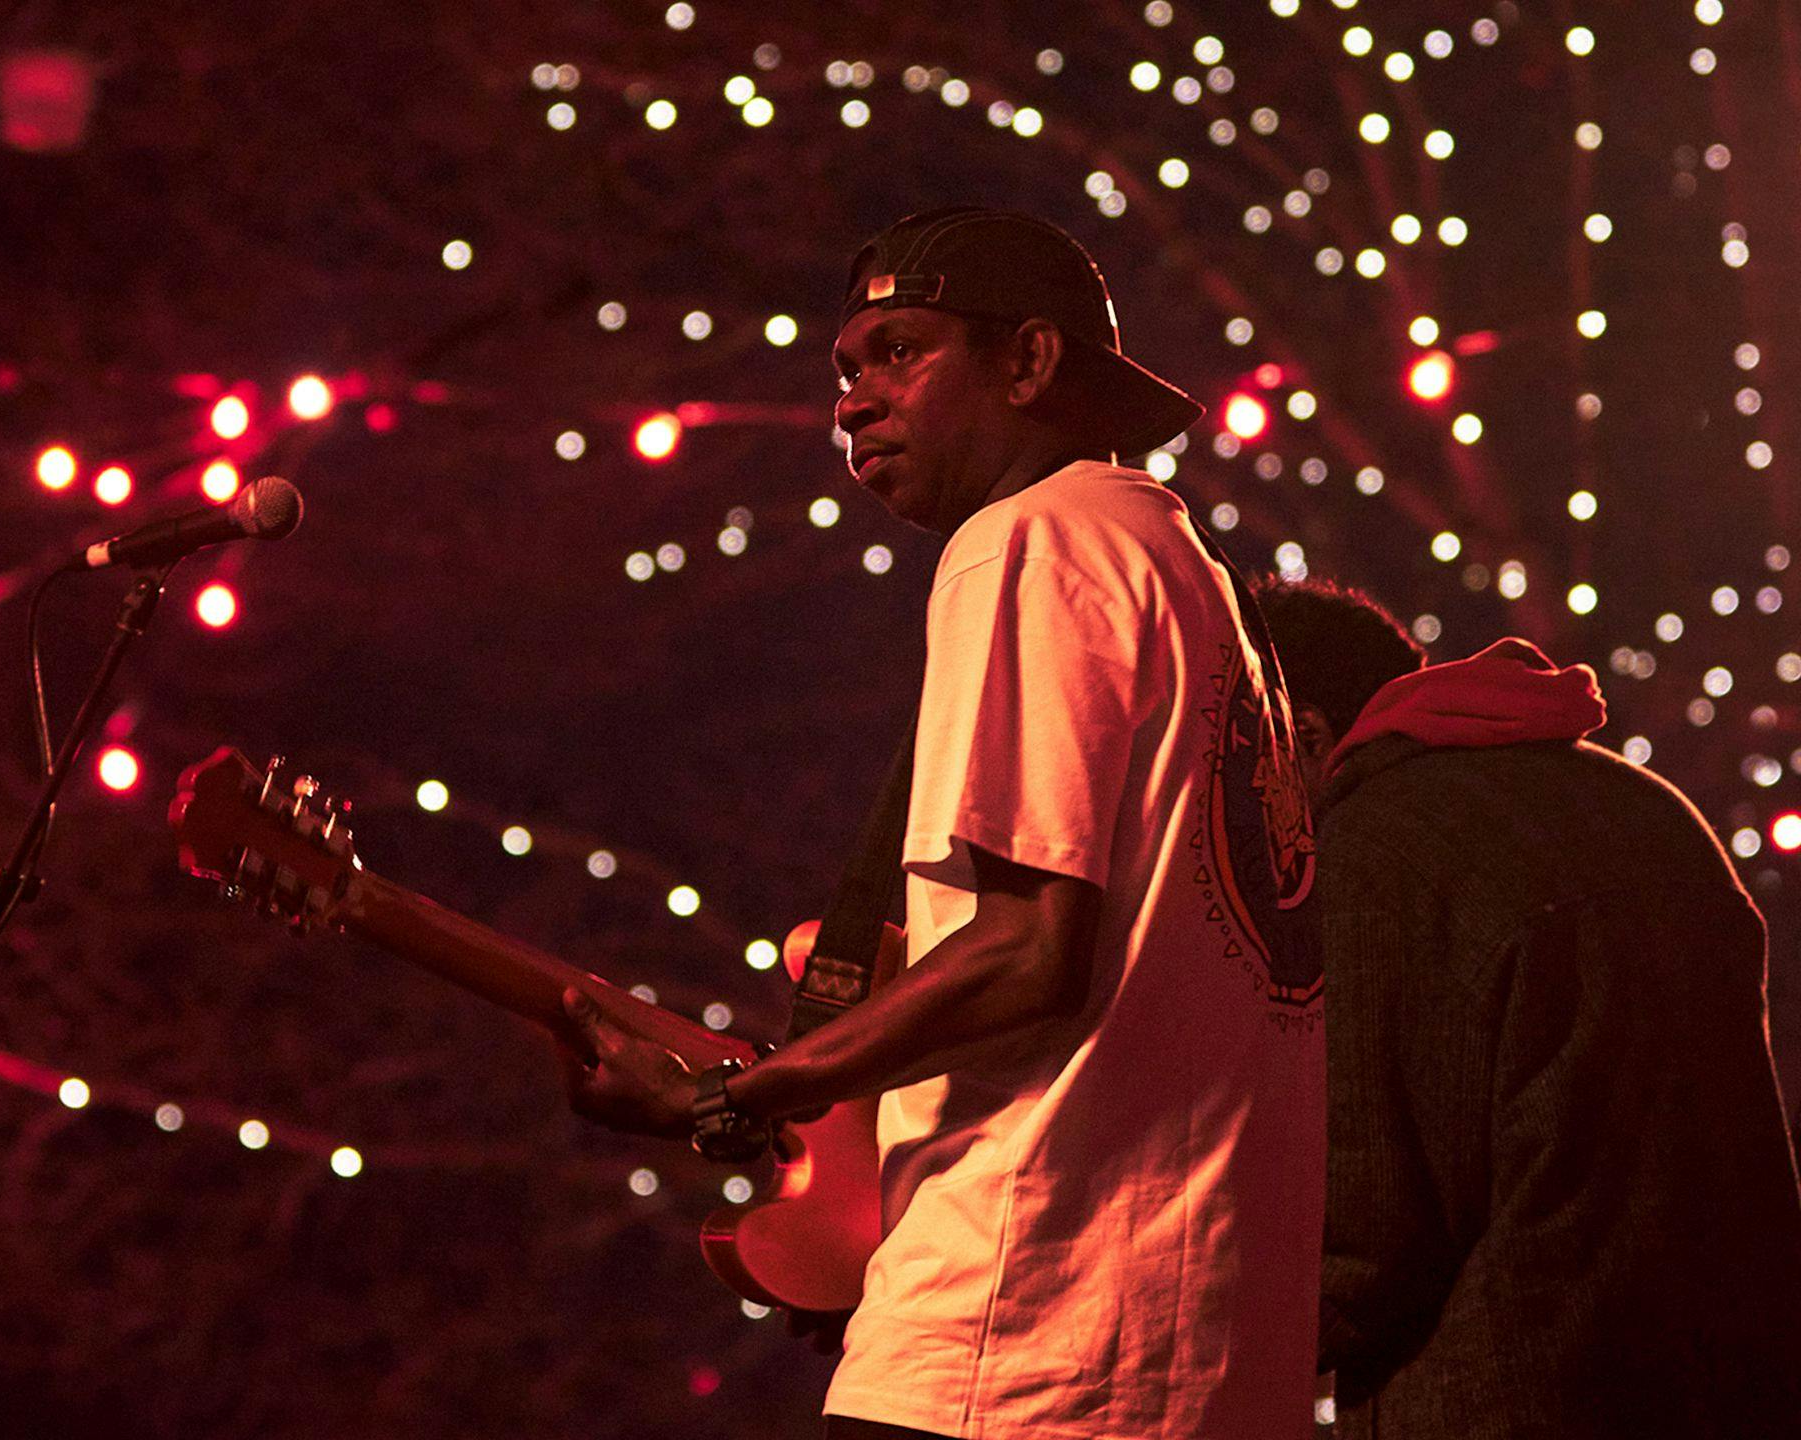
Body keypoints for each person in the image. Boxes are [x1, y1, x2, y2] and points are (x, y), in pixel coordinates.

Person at [561, 207, 1326, 1438]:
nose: (853, 401)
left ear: (1029, 363)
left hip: (1020, 1350)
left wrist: (737, 1099)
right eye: (845, 371)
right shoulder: (1195, 581)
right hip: (1204, 1367)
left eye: (900, 351)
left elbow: (1030, 953)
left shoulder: (1027, 542)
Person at [1252, 578, 1801, 1439]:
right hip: (1740, 1386)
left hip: (1514, 1398)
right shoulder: (1645, 803)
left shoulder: (1372, 857)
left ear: (1305, 733)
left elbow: (1365, 1242)